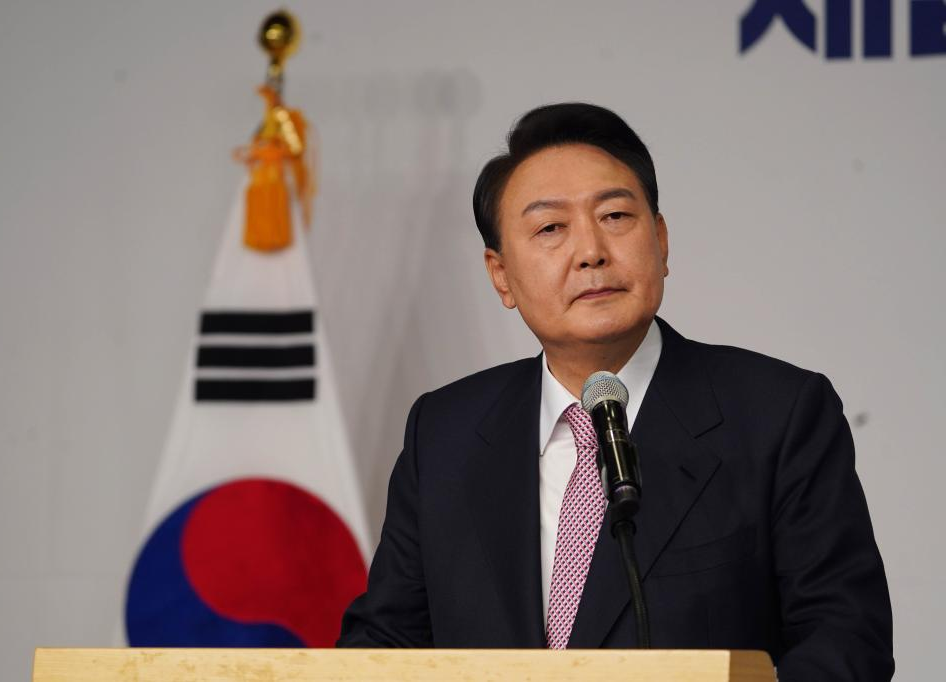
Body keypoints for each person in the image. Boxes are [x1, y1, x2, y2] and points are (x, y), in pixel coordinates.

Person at [337, 103, 893, 681]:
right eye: (551, 228)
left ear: (661, 240)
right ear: (501, 275)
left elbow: (847, 642)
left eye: (615, 216)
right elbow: (384, 645)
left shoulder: (777, 414)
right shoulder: (444, 434)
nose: (591, 251)